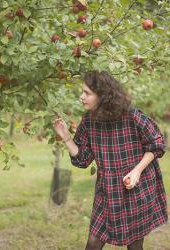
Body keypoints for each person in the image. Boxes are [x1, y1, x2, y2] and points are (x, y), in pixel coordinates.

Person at [53, 70, 168, 250]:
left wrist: (137, 171)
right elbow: (82, 160)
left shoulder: (132, 116)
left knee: (135, 244)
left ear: (103, 96)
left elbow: (157, 144)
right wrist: (67, 138)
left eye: (87, 93)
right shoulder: (89, 121)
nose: (81, 97)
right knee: (93, 242)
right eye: (82, 92)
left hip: (137, 186)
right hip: (107, 190)